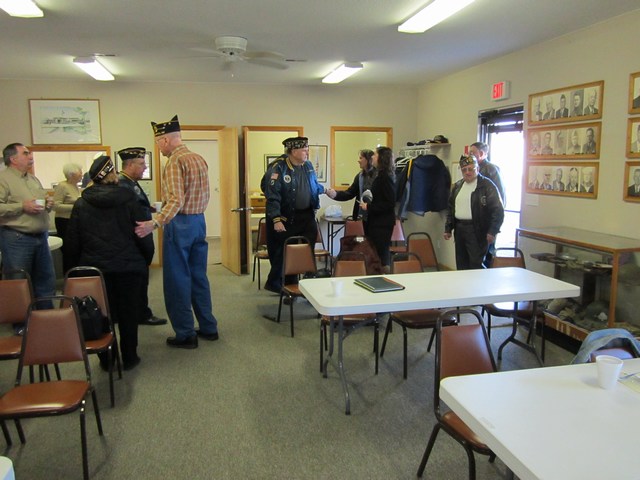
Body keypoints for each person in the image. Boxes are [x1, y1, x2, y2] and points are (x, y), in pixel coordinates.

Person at [135, 115, 219, 349]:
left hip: (180, 225)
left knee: (177, 281)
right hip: (199, 222)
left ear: (164, 140)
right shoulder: (198, 158)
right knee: (198, 277)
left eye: (158, 143)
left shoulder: (174, 161)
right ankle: (208, 327)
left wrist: (155, 223)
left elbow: (176, 200)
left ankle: (185, 334)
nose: (159, 148)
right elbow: (195, 195)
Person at [66, 155, 154, 370]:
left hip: (95, 269)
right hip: (129, 266)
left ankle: (107, 359)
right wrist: (145, 260)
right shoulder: (129, 199)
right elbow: (143, 233)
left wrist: (73, 271)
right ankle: (130, 356)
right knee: (128, 313)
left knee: (102, 313)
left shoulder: (81, 203)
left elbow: (73, 242)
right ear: (113, 174)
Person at [261, 136, 328, 292]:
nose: (307, 153)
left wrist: (325, 190)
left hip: (307, 216)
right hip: (286, 217)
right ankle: (283, 285)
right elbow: (272, 195)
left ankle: (309, 282)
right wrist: (276, 219)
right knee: (285, 252)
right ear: (293, 151)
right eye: (304, 150)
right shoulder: (278, 168)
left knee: (307, 249)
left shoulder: (308, 166)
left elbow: (312, 185)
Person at [0, 143, 56, 314]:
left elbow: (40, 201)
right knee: (19, 284)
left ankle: (46, 319)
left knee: (46, 281)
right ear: (13, 159)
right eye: (25, 153)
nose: (30, 156)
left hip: (41, 237)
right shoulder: (3, 179)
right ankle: (22, 324)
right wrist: (21, 206)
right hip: (17, 238)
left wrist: (48, 204)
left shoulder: (33, 179)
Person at [117, 147, 167, 327]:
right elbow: (129, 215)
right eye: (141, 163)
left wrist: (148, 209)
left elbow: (137, 207)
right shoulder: (123, 185)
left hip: (139, 238)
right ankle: (140, 313)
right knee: (136, 280)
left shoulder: (131, 182)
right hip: (135, 240)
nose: (145, 167)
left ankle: (140, 312)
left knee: (140, 279)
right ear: (129, 165)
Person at [443, 155, 504, 271]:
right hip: (459, 229)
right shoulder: (457, 186)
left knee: (476, 264)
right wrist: (448, 228)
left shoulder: (487, 186)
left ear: (477, 169)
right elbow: (451, 209)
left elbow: (498, 211)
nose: (467, 172)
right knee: (461, 262)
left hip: (477, 230)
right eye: (464, 170)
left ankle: (479, 283)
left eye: (471, 169)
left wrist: (492, 231)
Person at [359, 146, 396, 269]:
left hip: (382, 224)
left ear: (381, 158)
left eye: (375, 155)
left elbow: (389, 203)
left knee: (380, 253)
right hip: (376, 222)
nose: (372, 157)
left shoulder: (385, 177)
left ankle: (383, 273)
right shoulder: (380, 175)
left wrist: (369, 207)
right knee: (375, 252)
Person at [325, 149, 376, 221]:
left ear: (368, 160)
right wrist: (335, 194)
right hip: (361, 217)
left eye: (361, 158)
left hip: (375, 217)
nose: (358, 161)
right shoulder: (360, 176)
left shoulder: (379, 176)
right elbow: (350, 193)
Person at [53, 162, 83, 273]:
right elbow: (56, 206)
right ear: (71, 174)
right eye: (79, 172)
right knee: (68, 252)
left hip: (74, 222)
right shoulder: (62, 186)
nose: (82, 174)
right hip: (64, 222)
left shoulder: (75, 186)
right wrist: (75, 207)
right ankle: (68, 277)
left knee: (75, 252)